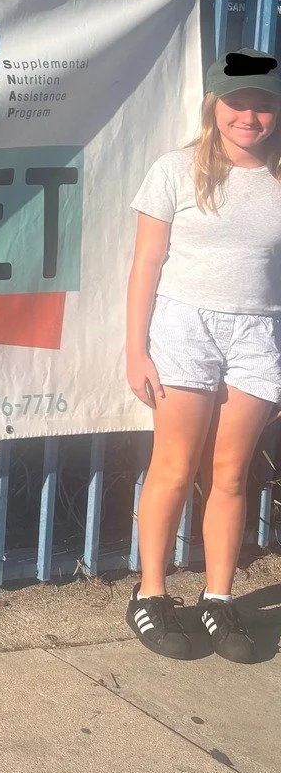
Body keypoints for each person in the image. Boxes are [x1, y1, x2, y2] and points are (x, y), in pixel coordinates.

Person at [125, 48, 281, 663]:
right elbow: (146, 265)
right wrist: (135, 348)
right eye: (237, 102)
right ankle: (151, 593)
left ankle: (219, 597)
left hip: (260, 333)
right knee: (174, 464)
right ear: (213, 106)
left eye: (264, 105)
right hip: (184, 326)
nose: (249, 116)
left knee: (233, 473)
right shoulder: (175, 170)